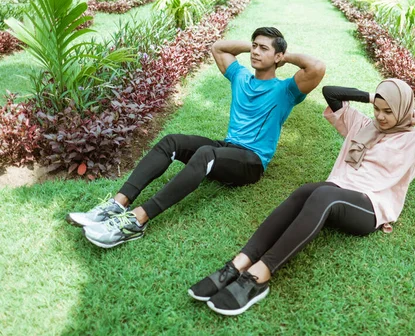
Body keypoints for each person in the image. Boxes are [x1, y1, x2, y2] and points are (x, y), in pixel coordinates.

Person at [188, 79, 415, 316]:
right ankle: (238, 264)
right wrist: (371, 97)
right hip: (339, 189)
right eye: (377, 110)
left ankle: (258, 277)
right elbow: (331, 92)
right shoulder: (363, 125)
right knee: (308, 190)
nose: (381, 116)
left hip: (370, 206)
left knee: (324, 196)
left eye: (389, 111)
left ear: (404, 110)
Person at [66, 27, 326, 248]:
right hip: (227, 149)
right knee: (172, 142)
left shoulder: (286, 91)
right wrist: (253, 48)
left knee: (205, 154)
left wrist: (282, 56)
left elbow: (317, 66)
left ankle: (137, 220)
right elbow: (219, 48)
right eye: (254, 46)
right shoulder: (241, 76)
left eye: (263, 49)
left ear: (278, 56)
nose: (256, 52)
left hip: (251, 162)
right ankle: (117, 204)